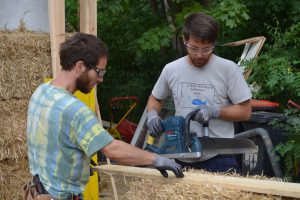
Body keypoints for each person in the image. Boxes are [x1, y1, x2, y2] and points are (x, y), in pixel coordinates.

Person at [24, 32, 183, 200]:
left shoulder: (41, 91)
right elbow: (112, 149)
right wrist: (155, 159)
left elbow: (53, 140)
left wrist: (78, 163)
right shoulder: (75, 110)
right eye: (99, 72)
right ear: (79, 66)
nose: (100, 79)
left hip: (37, 192)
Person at [146, 12, 252, 173]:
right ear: (184, 40)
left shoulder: (228, 69)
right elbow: (155, 98)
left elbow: (245, 112)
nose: (199, 55)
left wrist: (215, 111)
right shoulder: (171, 69)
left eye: (206, 49)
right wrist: (152, 115)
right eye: (193, 48)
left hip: (219, 157)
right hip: (180, 156)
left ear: (214, 44)